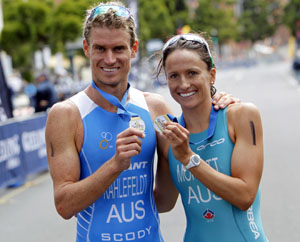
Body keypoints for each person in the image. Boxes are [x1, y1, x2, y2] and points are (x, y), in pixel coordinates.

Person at [45, 2, 239, 242]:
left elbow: (165, 201)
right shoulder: (66, 114)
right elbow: (64, 206)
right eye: (100, 49)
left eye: (118, 48)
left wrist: (218, 102)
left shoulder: (154, 108)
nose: (109, 59)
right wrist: (115, 165)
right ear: (86, 48)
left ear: (133, 49)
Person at [154, 32, 268, 242]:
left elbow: (245, 197)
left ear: (212, 74)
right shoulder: (168, 137)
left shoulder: (241, 116)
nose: (184, 84)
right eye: (174, 76)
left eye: (192, 73)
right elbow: (164, 202)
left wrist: (189, 158)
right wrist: (117, 163)